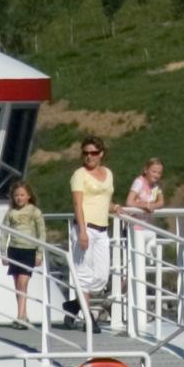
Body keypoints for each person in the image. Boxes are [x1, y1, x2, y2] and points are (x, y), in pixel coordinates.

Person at [67, 138, 116, 326]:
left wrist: (114, 207)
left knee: (102, 277)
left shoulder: (108, 173)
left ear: (101, 153)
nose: (89, 156)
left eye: (93, 153)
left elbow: (103, 199)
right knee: (84, 274)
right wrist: (82, 231)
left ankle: (74, 305)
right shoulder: (79, 174)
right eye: (86, 153)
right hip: (85, 227)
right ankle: (89, 319)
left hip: (103, 229)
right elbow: (78, 203)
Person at [1, 176, 45, 325]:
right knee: (17, 284)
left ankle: (20, 317)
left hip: (28, 251)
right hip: (14, 250)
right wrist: (3, 253)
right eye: (16, 195)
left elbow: (41, 233)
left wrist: (39, 254)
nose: (19, 198)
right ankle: (23, 315)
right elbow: (4, 233)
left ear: (28, 196)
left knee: (22, 282)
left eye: (22, 195)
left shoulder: (35, 212)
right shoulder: (10, 213)